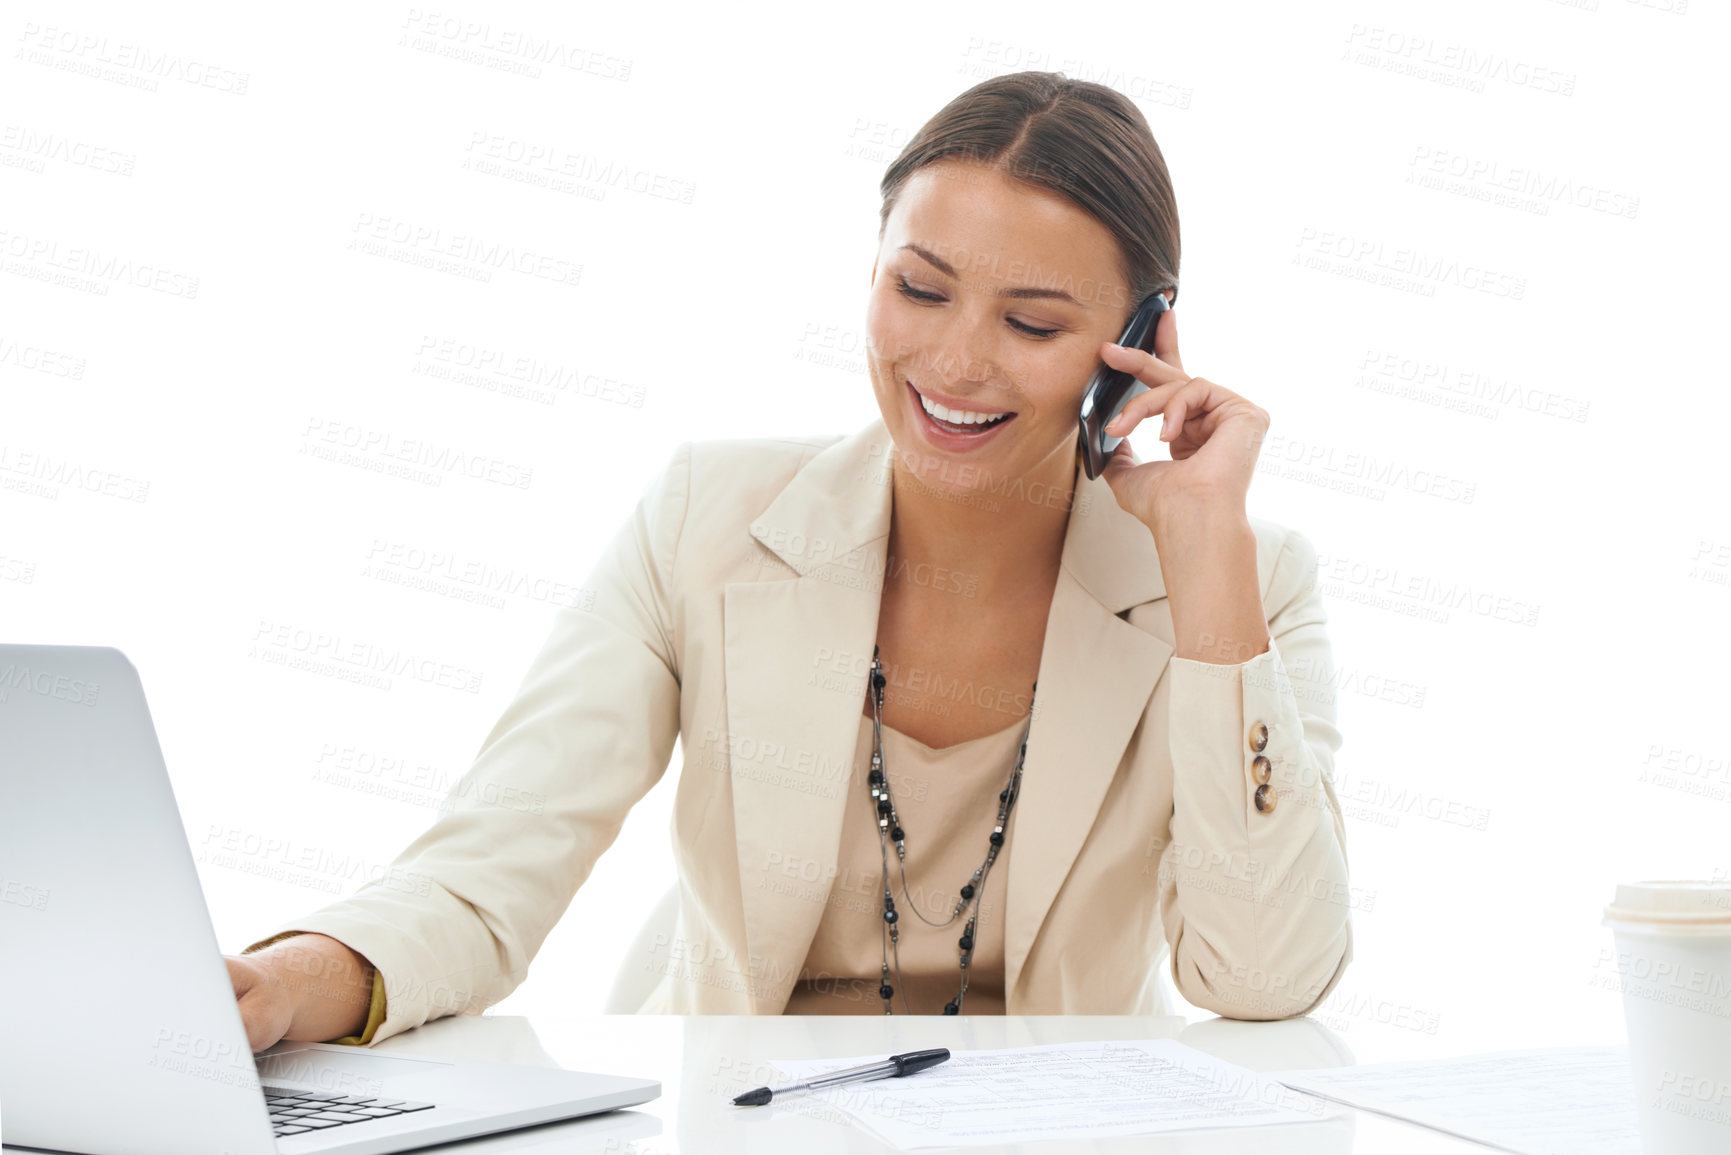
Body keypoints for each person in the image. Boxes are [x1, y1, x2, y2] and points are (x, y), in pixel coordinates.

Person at [227, 70, 1353, 1051]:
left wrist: (1208, 569)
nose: (956, 363)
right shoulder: (706, 520)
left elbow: (1264, 979)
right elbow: (490, 869)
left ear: (1141, 343)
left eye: (1035, 324)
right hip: (727, 1123)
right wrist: (278, 987)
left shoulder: (1246, 586)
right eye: (918, 289)